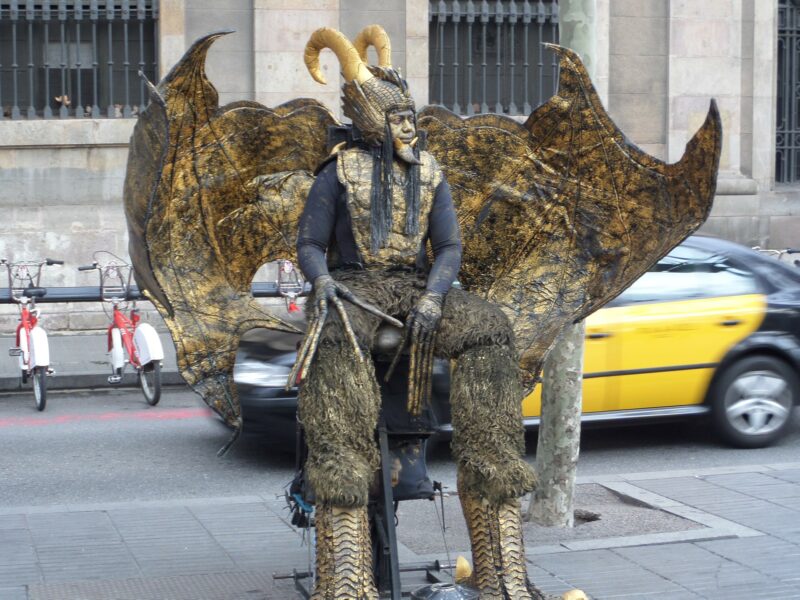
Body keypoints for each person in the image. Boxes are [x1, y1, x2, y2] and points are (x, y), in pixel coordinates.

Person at [293, 25, 538, 599]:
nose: (410, 126)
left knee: (490, 329)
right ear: (369, 121)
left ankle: (501, 566)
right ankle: (346, 575)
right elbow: (308, 244)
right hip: (351, 289)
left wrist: (433, 295)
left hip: (413, 288)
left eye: (411, 116)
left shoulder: (430, 174)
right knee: (334, 337)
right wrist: (324, 281)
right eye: (399, 118)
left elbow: (448, 248)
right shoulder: (337, 173)